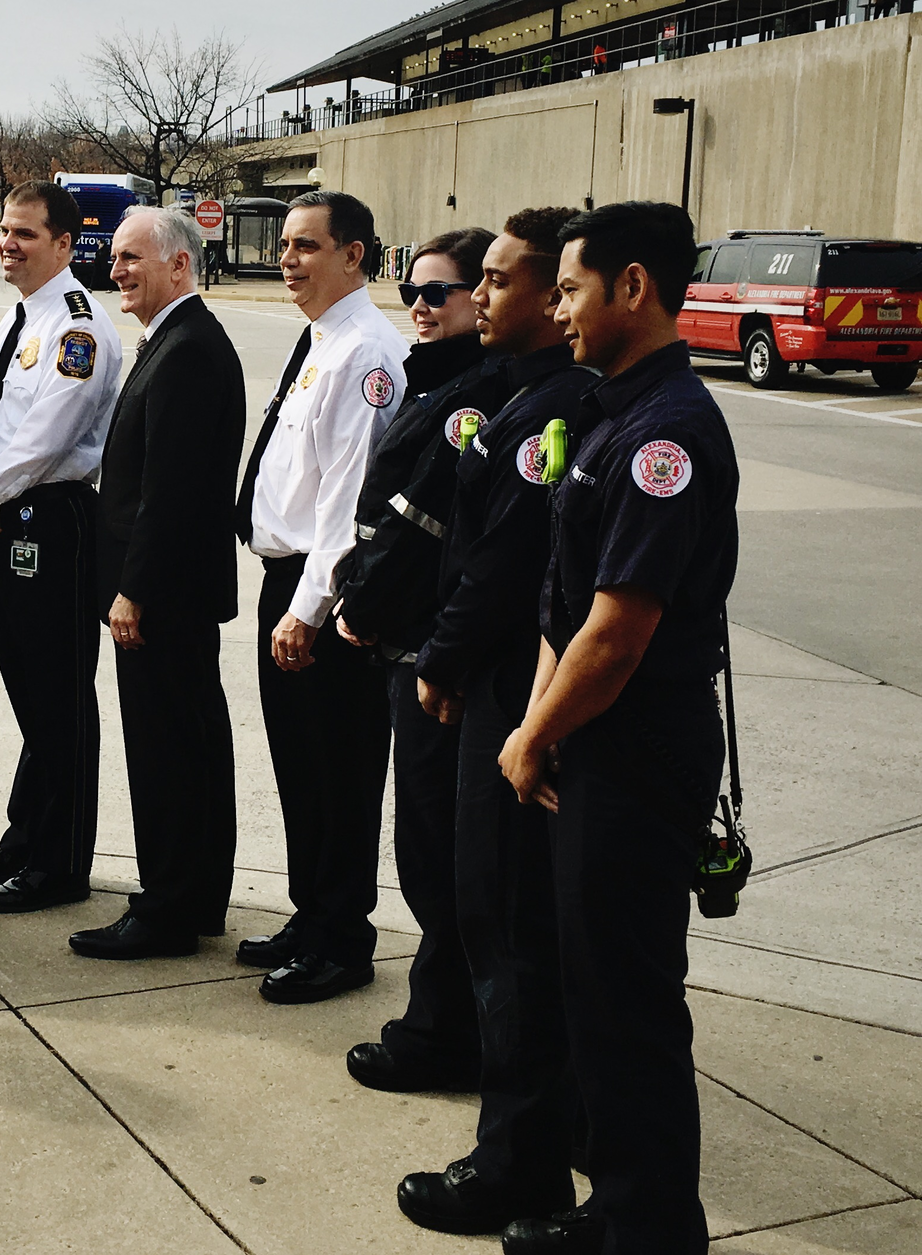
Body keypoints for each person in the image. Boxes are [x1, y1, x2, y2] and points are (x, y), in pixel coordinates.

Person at [497, 202, 738, 1255]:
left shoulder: (666, 433)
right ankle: (613, 1206)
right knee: (591, 990)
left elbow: (621, 630)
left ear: (634, 289)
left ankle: (646, 1227)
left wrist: (528, 733)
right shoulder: (610, 411)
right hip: (588, 740)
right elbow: (568, 602)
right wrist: (543, 724)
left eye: (573, 289)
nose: (560, 307)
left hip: (637, 753)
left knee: (630, 1001)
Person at [395, 207, 601, 1240]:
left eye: (508, 282)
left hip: (510, 699)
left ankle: (517, 1164)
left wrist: (441, 658)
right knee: (502, 922)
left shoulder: (552, 407)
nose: (482, 296)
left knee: (507, 925)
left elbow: (503, 566)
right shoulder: (522, 395)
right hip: (495, 687)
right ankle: (544, 1127)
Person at [332, 227, 513, 1092]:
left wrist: (358, 605)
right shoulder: (435, 379)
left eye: (440, 291)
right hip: (409, 643)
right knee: (430, 852)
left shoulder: (472, 396)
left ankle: (448, 1032)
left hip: (431, 654)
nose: (420, 303)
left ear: (480, 299)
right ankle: (450, 1021)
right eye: (416, 287)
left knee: (442, 859)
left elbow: (420, 530)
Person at [232, 190, 405, 1004]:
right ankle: (312, 912)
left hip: (322, 595)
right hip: (288, 584)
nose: (288, 259)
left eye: (307, 246)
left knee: (338, 772)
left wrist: (307, 610)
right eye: (286, 245)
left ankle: (343, 937)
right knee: (301, 768)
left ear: (355, 256)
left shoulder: (366, 352)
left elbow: (348, 501)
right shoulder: (322, 340)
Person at [67, 206, 242, 959]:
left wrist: (132, 590)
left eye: (134, 257)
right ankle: (193, 896)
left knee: (168, 753)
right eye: (115, 257)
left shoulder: (190, 349)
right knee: (187, 746)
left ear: (180, 264)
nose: (117, 269)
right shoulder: (171, 340)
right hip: (169, 588)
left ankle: (169, 906)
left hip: (164, 595)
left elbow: (172, 492)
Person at [0, 179, 123, 913]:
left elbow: (46, 438)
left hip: (51, 521)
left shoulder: (78, 327)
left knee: (57, 695)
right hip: (3, 516)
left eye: (24, 233)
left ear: (65, 242)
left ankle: (61, 862)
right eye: (5, 231)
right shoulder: (18, 318)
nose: (8, 243)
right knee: (28, 687)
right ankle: (26, 836)